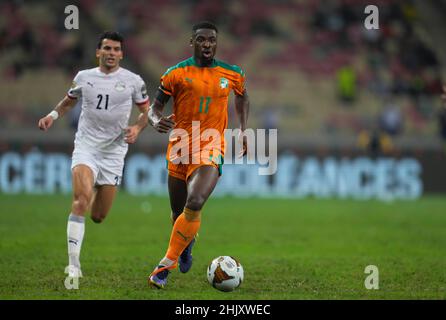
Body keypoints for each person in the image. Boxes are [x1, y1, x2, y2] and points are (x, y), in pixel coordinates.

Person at [38, 31, 149, 278]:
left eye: (116, 49)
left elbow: (146, 112)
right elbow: (69, 101)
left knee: (98, 216)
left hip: (114, 153)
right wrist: (52, 116)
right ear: (98, 52)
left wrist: (137, 128)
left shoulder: (133, 81)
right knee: (80, 200)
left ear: (122, 54)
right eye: (107, 49)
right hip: (87, 147)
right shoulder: (84, 77)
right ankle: (73, 265)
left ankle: (95, 184)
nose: (111, 53)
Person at [147, 21, 250, 289]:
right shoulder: (175, 74)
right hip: (180, 145)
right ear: (191, 42)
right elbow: (154, 108)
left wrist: (241, 129)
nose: (207, 44)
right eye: (202, 40)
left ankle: (164, 266)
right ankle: (186, 244)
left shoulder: (233, 73)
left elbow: (242, 96)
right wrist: (155, 120)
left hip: (211, 145)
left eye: (212, 40)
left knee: (195, 201)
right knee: (178, 212)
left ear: (216, 42)